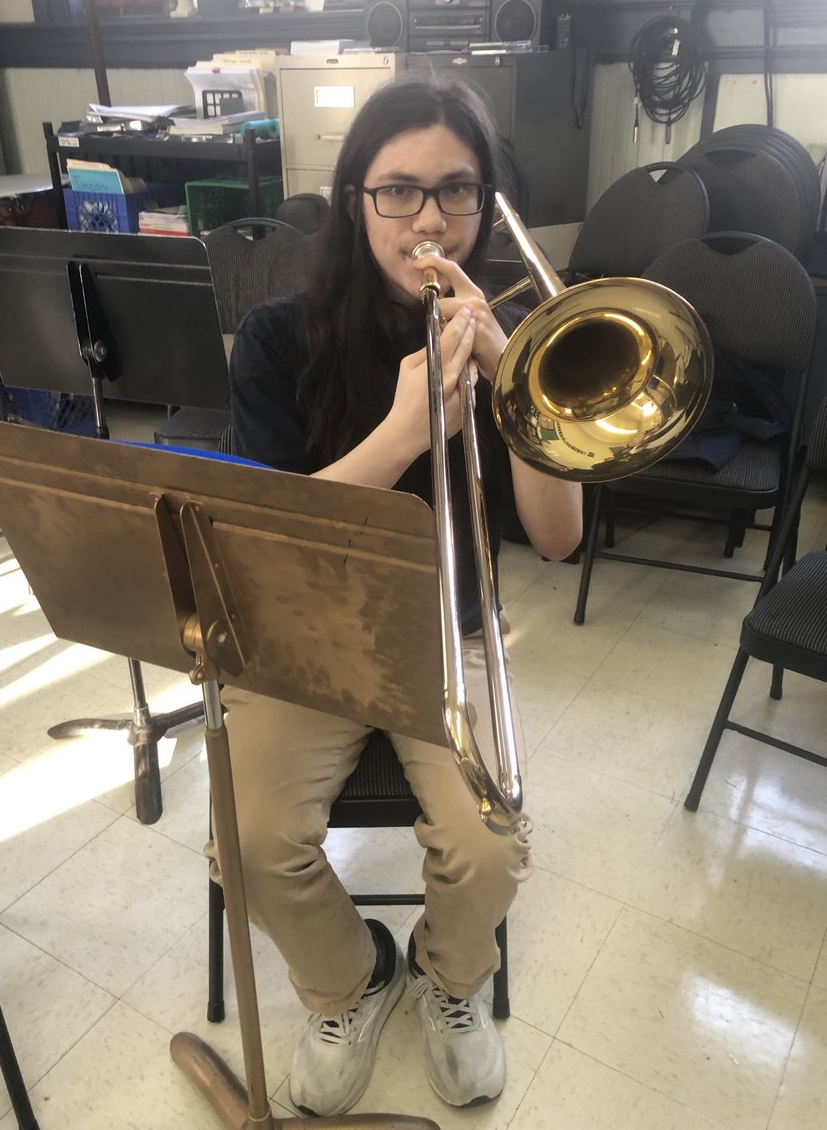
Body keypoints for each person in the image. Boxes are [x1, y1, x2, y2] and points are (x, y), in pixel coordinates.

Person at [217, 75, 583, 1117]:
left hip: (444, 631)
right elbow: (270, 541)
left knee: (490, 844)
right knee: (244, 842)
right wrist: (403, 432)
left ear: (487, 202)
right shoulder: (278, 339)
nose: (430, 219)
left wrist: (521, 390)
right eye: (399, 191)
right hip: (311, 630)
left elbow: (556, 542)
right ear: (353, 199)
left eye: (458, 191)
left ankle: (449, 982)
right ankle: (350, 984)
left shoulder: (502, 334)